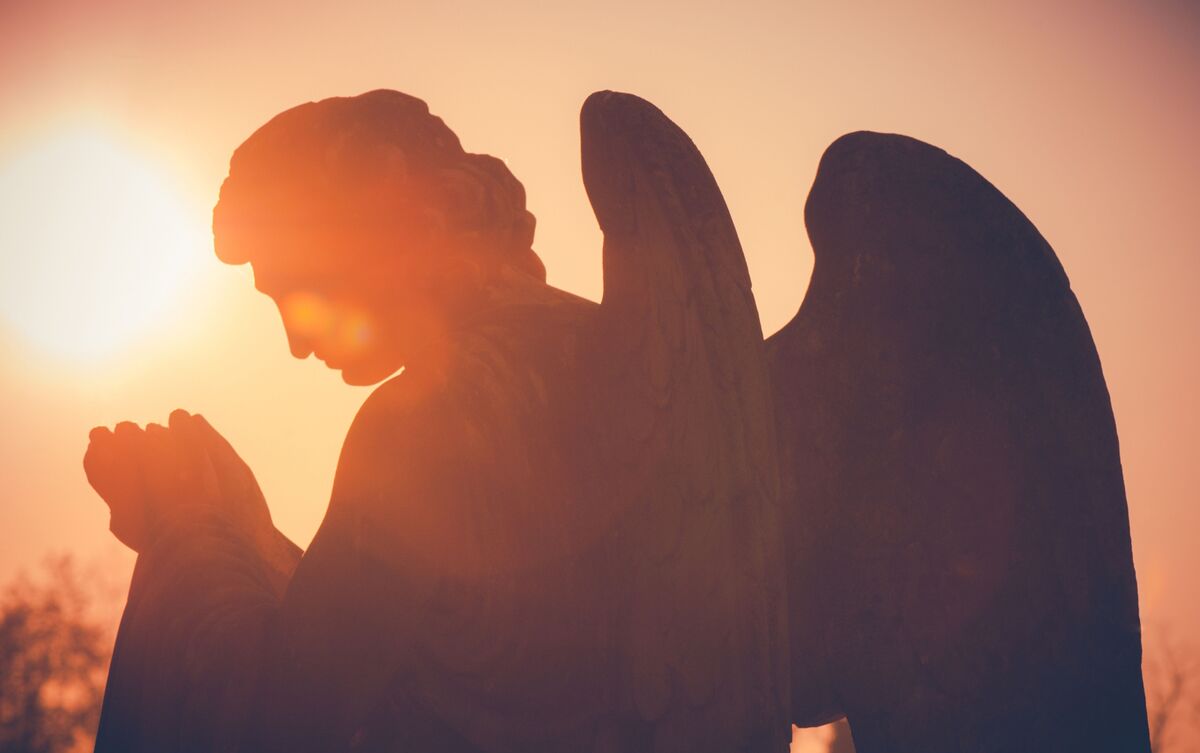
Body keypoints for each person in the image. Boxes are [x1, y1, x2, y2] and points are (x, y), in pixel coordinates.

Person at [83, 89, 791, 753]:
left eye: (294, 286)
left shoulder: (426, 424)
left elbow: (282, 719)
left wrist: (191, 527)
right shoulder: (612, 356)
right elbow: (397, 639)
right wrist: (246, 529)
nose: (296, 341)